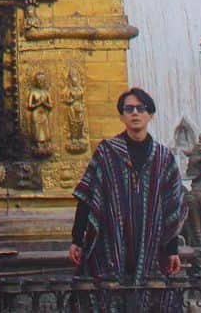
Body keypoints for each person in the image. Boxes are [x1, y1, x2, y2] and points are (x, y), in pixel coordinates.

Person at [68, 87, 186, 311]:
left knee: (154, 300)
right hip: (110, 243)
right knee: (109, 299)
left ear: (150, 115)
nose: (135, 113)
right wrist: (77, 238)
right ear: (121, 116)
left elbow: (172, 207)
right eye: (128, 109)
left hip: (151, 245)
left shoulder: (164, 158)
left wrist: (172, 250)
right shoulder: (106, 152)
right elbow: (87, 197)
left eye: (141, 109)